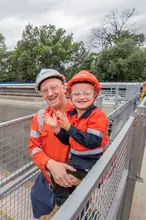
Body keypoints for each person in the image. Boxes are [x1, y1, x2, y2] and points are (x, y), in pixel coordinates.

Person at [43, 70, 109, 209]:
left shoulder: (98, 116)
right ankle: (75, 209)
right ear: (70, 96)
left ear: (95, 95)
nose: (81, 97)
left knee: (61, 179)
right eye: (77, 93)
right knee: (61, 178)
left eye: (87, 93)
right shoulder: (71, 115)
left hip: (93, 161)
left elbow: (93, 141)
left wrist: (68, 127)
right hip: (78, 160)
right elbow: (69, 140)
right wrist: (57, 129)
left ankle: (63, 209)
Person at [29, 69, 81, 220]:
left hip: (73, 191)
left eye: (54, 87)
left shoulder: (84, 116)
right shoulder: (39, 118)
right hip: (44, 186)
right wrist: (51, 164)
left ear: (64, 87)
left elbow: (103, 158)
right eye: (45, 90)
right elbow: (33, 147)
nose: (50, 93)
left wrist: (82, 180)